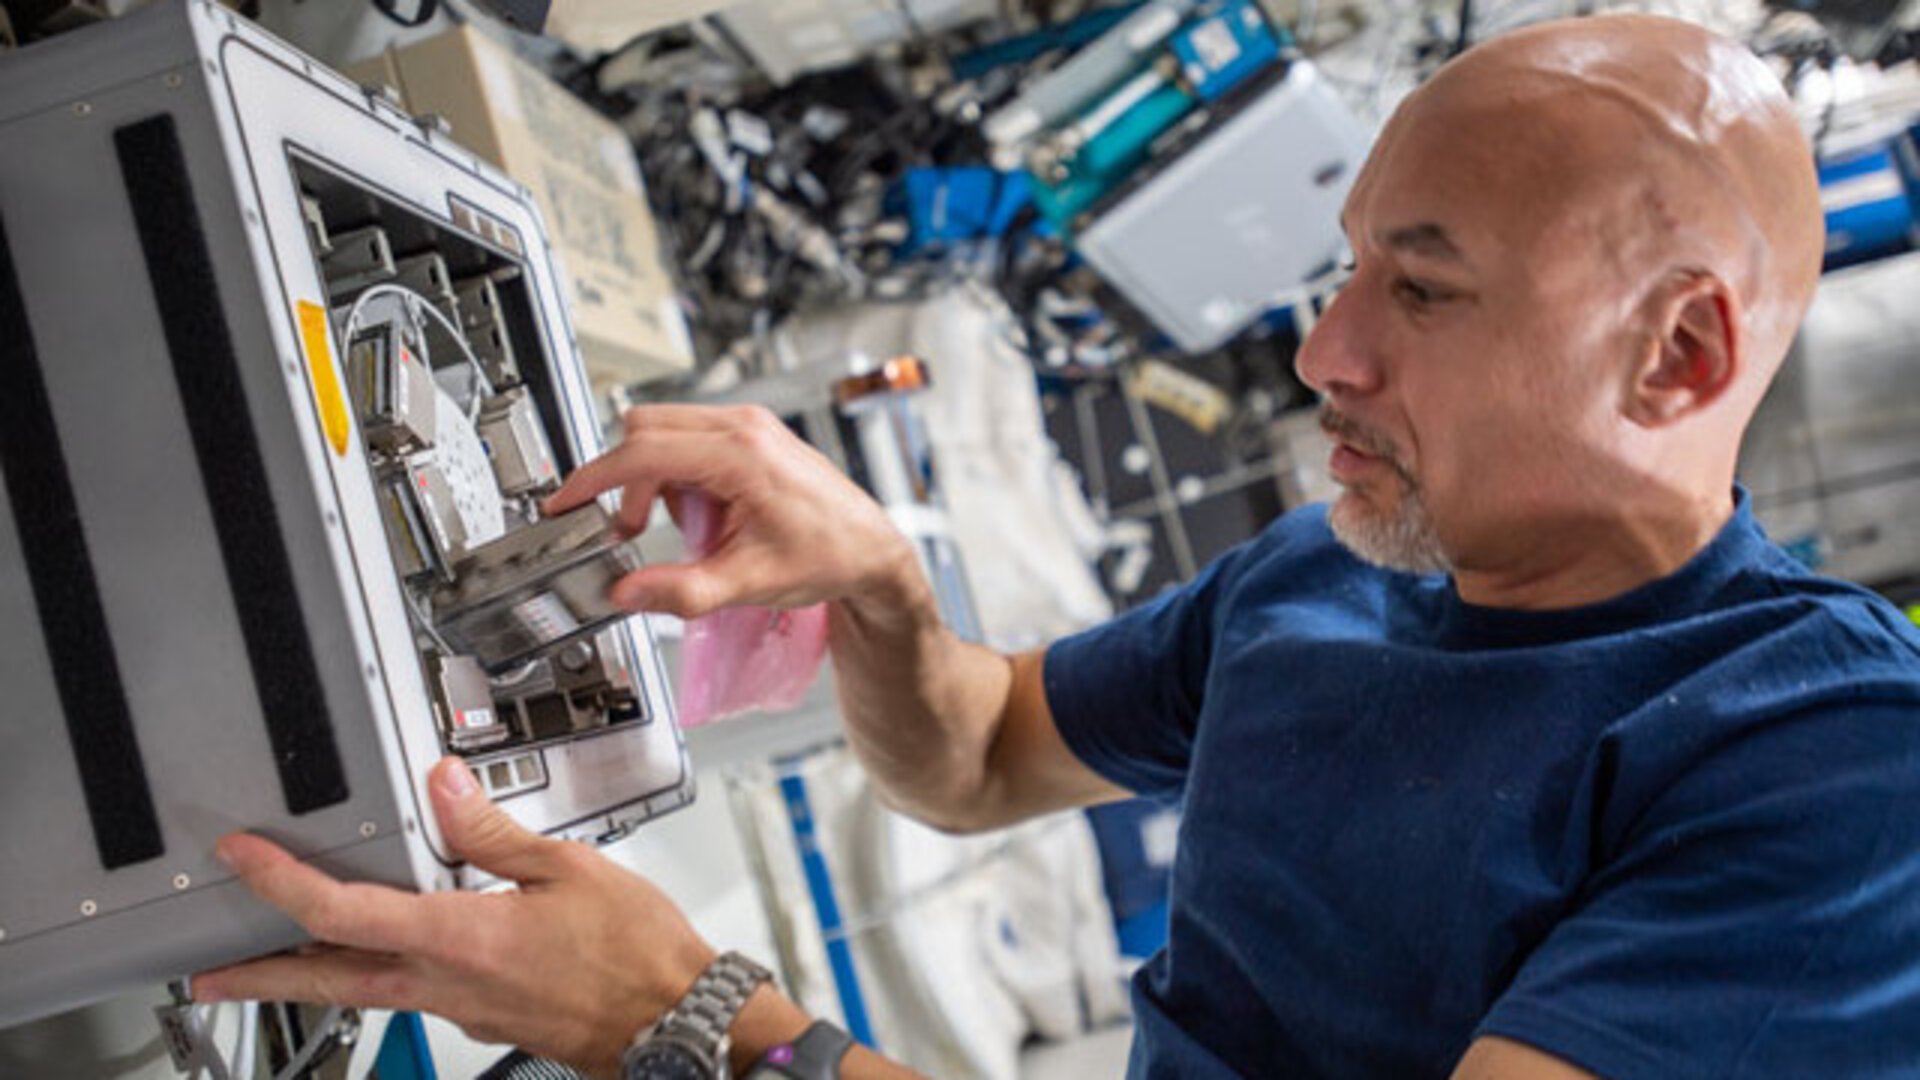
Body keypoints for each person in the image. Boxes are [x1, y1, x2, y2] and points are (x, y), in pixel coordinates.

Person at [191, 13, 1920, 1080]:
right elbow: (980, 756)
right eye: (1346, 266)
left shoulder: (1826, 766)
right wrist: (877, 584)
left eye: (1426, 284)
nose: (1326, 352)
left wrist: (696, 1024)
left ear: (1679, 354)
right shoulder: (1337, 572)